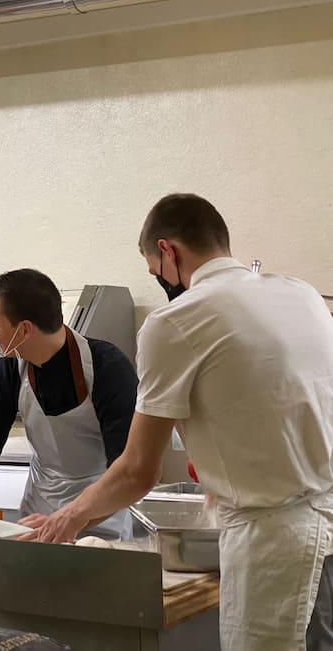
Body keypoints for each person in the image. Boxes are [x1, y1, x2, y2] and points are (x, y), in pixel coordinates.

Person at [28, 193, 333, 651]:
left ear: (168, 252)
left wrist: (68, 518)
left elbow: (138, 470)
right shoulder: (301, 293)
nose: (160, 280)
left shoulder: (176, 321)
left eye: (155, 269)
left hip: (275, 544)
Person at [0, 268, 137, 539]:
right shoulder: (8, 371)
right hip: (37, 515)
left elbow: (128, 472)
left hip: (103, 517)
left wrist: (73, 519)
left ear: (25, 329)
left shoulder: (108, 369)